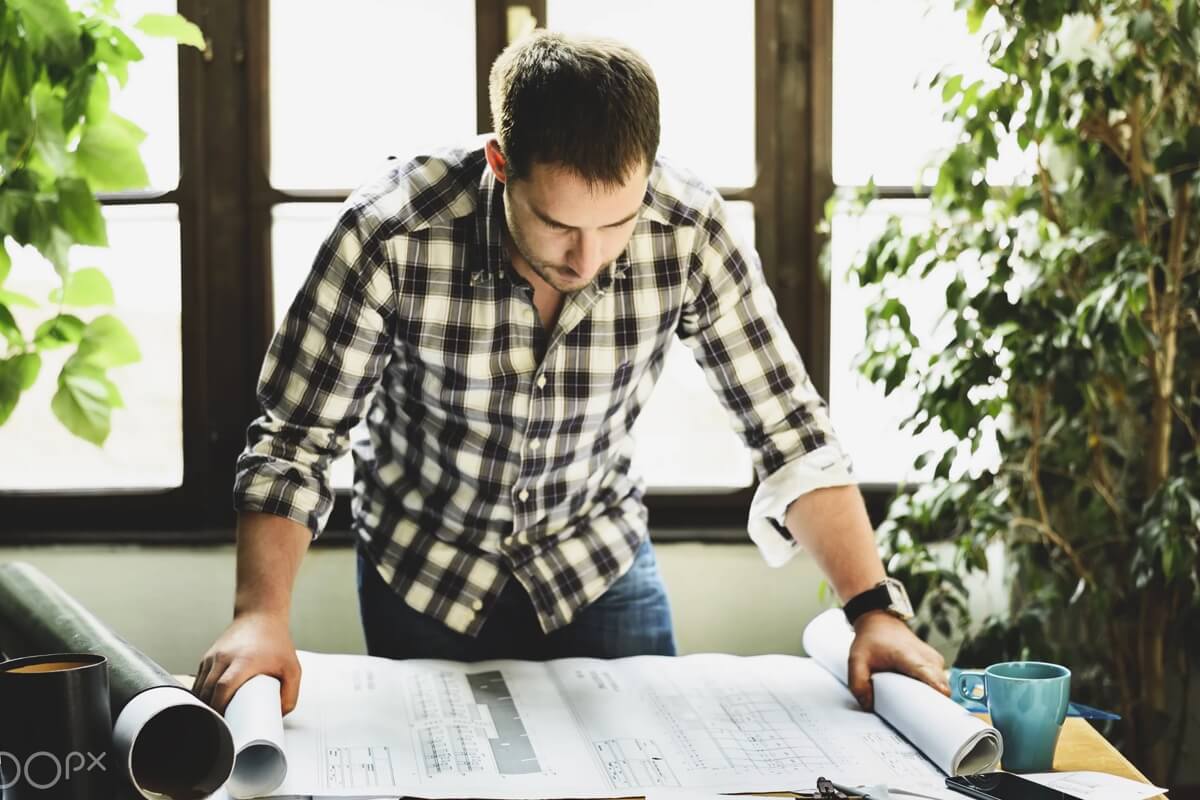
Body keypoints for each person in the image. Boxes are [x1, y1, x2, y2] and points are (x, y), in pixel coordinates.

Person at [193, 30, 951, 717]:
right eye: (558, 224)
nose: (587, 259)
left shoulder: (690, 229)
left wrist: (873, 610)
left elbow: (787, 427)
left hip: (596, 558)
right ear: (500, 163)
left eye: (616, 224)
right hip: (424, 565)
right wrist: (261, 617)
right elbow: (295, 440)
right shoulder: (390, 232)